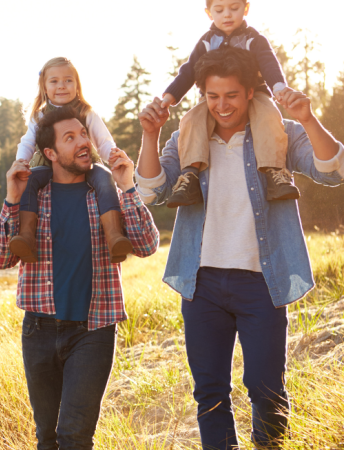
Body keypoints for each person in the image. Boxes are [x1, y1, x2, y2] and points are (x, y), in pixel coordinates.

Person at [136, 47, 344, 449]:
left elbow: (331, 169)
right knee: (209, 390)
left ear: (250, 92)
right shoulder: (188, 138)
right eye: (212, 97)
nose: (221, 106)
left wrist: (307, 117)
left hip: (262, 282)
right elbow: (153, 190)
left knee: (266, 389)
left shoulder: (277, 132)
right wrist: (149, 133)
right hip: (203, 283)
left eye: (231, 95)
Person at [0, 106, 159, 449]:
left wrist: (127, 186)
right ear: (50, 153)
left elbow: (146, 245)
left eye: (83, 134)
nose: (84, 142)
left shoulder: (105, 192)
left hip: (93, 332)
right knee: (47, 438)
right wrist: (11, 197)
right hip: (39, 329)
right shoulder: (33, 197)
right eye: (71, 138)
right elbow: (0, 257)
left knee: (75, 437)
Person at [159, 0, 299, 208]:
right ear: (209, 13)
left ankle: (275, 172)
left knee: (269, 115)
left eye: (234, 8)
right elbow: (188, 72)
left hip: (254, 94)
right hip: (213, 99)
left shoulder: (253, 39)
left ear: (246, 8)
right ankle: (189, 176)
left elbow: (269, 63)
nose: (227, 15)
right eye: (219, 10)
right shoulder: (206, 42)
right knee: (191, 120)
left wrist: (278, 88)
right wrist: (169, 97)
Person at [10, 57, 133, 264]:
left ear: (77, 85)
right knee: (29, 181)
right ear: (44, 87)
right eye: (54, 81)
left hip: (84, 165)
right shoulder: (39, 116)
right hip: (45, 166)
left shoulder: (86, 112)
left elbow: (103, 140)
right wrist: (21, 162)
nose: (62, 86)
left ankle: (114, 236)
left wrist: (112, 156)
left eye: (68, 80)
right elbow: (28, 142)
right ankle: (26, 236)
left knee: (104, 178)